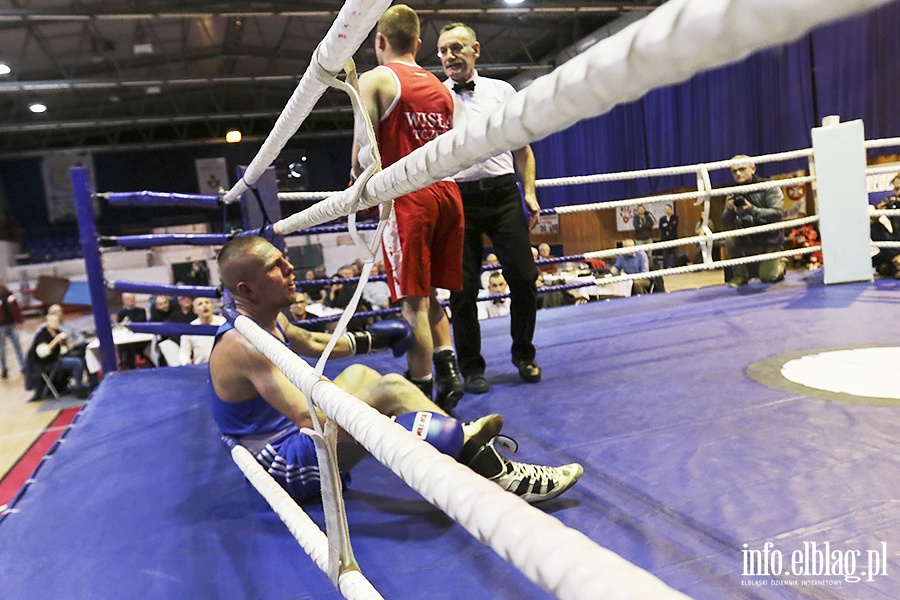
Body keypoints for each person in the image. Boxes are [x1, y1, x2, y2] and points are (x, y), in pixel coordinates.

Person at [209, 236, 582, 505]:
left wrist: (372, 339)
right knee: (387, 390)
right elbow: (309, 415)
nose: (291, 268)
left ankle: (460, 448)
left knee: (361, 374)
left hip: (293, 438)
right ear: (249, 288)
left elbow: (310, 342)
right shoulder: (246, 344)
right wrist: (390, 428)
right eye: (275, 266)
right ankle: (498, 473)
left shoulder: (262, 316)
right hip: (279, 466)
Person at [352, 5, 465, 411]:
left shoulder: (377, 78)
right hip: (449, 195)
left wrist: (355, 190)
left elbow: (364, 153)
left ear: (379, 41)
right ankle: (449, 369)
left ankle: (421, 393)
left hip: (409, 199)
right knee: (432, 293)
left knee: (412, 301)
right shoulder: (441, 88)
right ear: (418, 44)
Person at [438, 22, 542, 395]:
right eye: (443, 51)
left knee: (524, 277)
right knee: (462, 290)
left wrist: (529, 192)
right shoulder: (435, 96)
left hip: (502, 196)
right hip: (457, 199)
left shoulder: (502, 91)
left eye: (456, 48)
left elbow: (523, 150)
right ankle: (471, 368)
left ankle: (524, 354)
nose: (450, 56)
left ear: (475, 50)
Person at [721, 156, 787, 287]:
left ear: (753, 168)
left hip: (770, 238)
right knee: (731, 239)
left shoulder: (768, 186)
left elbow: (778, 214)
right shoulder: (733, 193)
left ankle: (783, 262)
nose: (738, 174)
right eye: (734, 171)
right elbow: (724, 222)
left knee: (768, 277)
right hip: (748, 237)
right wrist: (729, 209)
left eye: (742, 169)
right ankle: (740, 276)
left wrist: (752, 210)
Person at [26, 311, 91, 400]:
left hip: (59, 358)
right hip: (48, 363)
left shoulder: (58, 332)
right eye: (53, 321)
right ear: (47, 323)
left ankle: (91, 382)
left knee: (84, 357)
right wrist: (56, 340)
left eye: (57, 321)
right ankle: (79, 388)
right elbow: (43, 353)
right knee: (76, 362)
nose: (56, 323)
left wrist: (69, 344)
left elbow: (64, 349)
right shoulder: (42, 335)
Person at [179, 297, 226, 365]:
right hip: (200, 367)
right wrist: (186, 363)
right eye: (200, 304)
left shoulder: (223, 322)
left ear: (211, 306)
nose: (204, 305)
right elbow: (184, 352)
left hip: (223, 365)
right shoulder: (190, 328)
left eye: (207, 302)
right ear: (195, 310)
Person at [0, 276, 25, 379]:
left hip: (11, 323)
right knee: (2, 348)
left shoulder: (8, 293)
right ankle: (4, 368)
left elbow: (16, 307)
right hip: (1, 326)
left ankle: (23, 366)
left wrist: (19, 320)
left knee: (17, 345)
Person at [116, 292, 148, 369]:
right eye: (127, 299)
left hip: (140, 337)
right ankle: (128, 366)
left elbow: (142, 323)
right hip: (126, 338)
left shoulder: (141, 311)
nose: (130, 300)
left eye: (132, 298)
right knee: (125, 344)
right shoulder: (121, 313)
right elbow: (119, 326)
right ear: (124, 301)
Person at [658, 204, 679, 268]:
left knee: (675, 254)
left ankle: (676, 267)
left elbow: (674, 226)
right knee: (665, 254)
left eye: (668, 209)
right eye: (666, 209)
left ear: (671, 209)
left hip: (673, 238)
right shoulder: (662, 219)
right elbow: (661, 227)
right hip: (665, 238)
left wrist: (667, 225)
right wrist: (669, 225)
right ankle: (665, 267)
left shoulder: (675, 217)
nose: (667, 210)